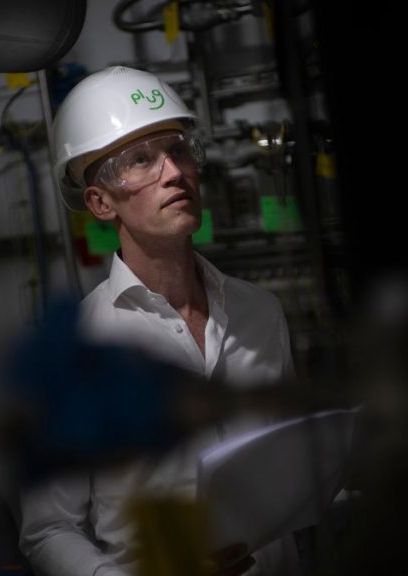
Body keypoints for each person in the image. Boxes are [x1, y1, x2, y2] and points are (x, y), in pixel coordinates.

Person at [19, 66, 300, 576]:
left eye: (178, 150)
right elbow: (47, 530)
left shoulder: (261, 313)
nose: (173, 172)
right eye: (141, 161)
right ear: (101, 202)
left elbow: (291, 471)